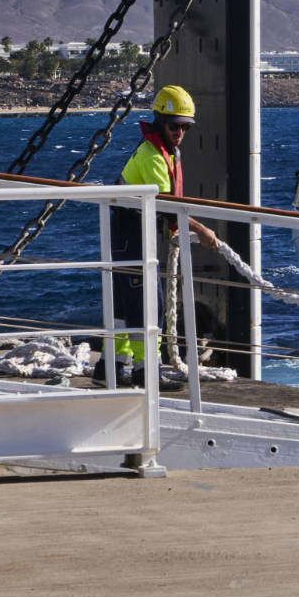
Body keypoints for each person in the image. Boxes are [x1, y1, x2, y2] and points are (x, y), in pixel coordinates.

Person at [103, 85, 215, 386]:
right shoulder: (153, 157)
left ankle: (111, 367)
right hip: (133, 234)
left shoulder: (161, 151)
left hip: (132, 234)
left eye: (184, 127)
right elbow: (167, 208)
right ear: (159, 121)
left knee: (126, 306)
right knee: (147, 306)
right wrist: (202, 230)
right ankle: (146, 372)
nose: (179, 132)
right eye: (174, 126)